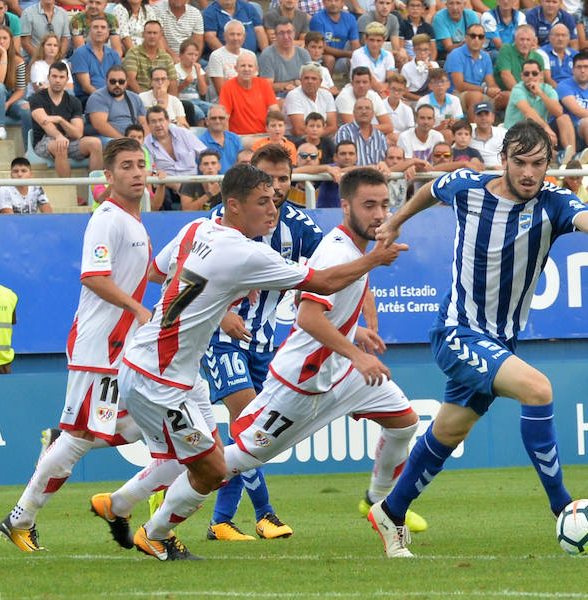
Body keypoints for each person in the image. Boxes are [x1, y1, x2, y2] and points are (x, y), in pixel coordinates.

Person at [366, 119, 588, 558]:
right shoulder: (468, 186)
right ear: (502, 160)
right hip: (458, 331)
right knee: (538, 390)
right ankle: (564, 509)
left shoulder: (554, 202)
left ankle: (391, 509)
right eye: (519, 163)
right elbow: (432, 188)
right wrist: (397, 220)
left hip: (500, 341)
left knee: (448, 431)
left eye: (537, 164)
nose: (528, 173)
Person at [114, 163, 408, 560]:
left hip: (160, 366)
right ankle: (152, 527)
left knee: (404, 420)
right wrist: (375, 261)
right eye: (263, 202)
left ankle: (382, 504)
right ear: (233, 206)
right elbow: (317, 293)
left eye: (274, 200)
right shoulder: (256, 251)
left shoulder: (197, 229)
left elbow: (160, 272)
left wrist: (213, 302)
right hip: (183, 378)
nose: (273, 209)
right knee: (217, 465)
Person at [0, 138, 153, 552]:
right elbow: (93, 276)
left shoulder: (134, 221)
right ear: (108, 176)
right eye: (126, 166)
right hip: (99, 346)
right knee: (85, 438)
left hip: (121, 346)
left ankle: (65, 446)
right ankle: (21, 518)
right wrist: (138, 308)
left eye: (141, 164)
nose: (137, 172)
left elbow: (136, 271)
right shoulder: (107, 219)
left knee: (138, 425)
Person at [200, 144, 323, 540]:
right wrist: (220, 312)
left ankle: (218, 520)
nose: (277, 188)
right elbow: (182, 276)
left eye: (284, 180)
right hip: (219, 338)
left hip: (263, 342)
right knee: (246, 422)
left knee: (246, 432)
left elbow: (330, 271)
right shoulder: (220, 221)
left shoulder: (300, 227)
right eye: (268, 181)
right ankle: (265, 513)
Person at [31, 60, 103, 178]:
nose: (58, 80)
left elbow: (78, 133)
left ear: (66, 79)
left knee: (95, 143)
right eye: (54, 76)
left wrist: (60, 120)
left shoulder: (73, 101)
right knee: (61, 146)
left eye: (61, 77)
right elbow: (45, 123)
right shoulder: (37, 98)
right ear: (48, 77)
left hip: (69, 140)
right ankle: (68, 190)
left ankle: (96, 190)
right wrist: (59, 136)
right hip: (43, 142)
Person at [504, 58, 574, 155]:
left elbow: (558, 112)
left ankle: (571, 155)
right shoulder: (517, 90)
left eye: (534, 73)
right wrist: (546, 128)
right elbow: (528, 113)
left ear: (541, 75)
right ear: (522, 76)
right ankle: (559, 157)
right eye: (526, 74)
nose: (530, 77)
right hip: (516, 132)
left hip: (537, 130)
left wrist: (540, 93)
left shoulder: (547, 90)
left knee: (564, 118)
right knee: (533, 133)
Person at [145, 105, 208, 210]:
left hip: (193, 183)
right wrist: (176, 186)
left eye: (161, 120)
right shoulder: (146, 144)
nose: (158, 125)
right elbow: (152, 172)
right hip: (168, 186)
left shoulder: (184, 134)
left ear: (168, 121)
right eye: (153, 121)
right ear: (148, 125)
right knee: (161, 193)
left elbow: (205, 154)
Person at [446, 23, 506, 120]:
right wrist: (485, 90)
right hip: (456, 95)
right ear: (466, 38)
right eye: (473, 36)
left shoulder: (485, 56)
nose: (476, 40)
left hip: (479, 93)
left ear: (483, 40)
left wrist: (496, 91)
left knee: (507, 96)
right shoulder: (456, 54)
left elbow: (491, 82)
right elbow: (459, 85)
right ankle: (472, 131)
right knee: (476, 96)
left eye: (480, 37)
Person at [86, 65, 149, 145]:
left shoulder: (135, 97)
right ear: (106, 80)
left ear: (126, 82)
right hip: (108, 139)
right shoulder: (98, 97)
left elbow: (144, 122)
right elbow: (100, 125)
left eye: (121, 81)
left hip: (134, 139)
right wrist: (124, 141)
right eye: (113, 81)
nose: (117, 85)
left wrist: (142, 140)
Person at [72, 16, 123, 106]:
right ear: (89, 32)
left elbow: (118, 81)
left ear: (108, 33)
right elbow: (86, 87)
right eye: (95, 27)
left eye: (103, 28)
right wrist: (106, 99)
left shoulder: (114, 55)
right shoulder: (80, 53)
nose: (99, 30)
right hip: (88, 98)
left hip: (112, 97)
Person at [336, 67, 394, 138]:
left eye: (365, 82)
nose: (361, 85)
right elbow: (353, 128)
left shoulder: (374, 96)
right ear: (352, 84)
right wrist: (372, 128)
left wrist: (367, 128)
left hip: (368, 133)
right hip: (346, 136)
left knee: (393, 137)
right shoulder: (344, 97)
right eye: (358, 82)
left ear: (370, 84)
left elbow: (389, 127)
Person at [260, 17, 313, 97]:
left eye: (289, 32)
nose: (286, 37)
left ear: (294, 33)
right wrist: (293, 83)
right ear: (276, 35)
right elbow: (267, 85)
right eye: (281, 33)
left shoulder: (303, 53)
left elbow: (311, 79)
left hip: (302, 93)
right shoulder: (267, 55)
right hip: (277, 96)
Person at [123, 20, 177, 95]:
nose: (152, 36)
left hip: (161, 98)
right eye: (149, 33)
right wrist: (144, 99)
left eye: (155, 33)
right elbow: (131, 80)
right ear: (143, 34)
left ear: (161, 35)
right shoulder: (133, 53)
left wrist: (170, 103)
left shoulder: (166, 58)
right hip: (138, 99)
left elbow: (173, 83)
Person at [284, 62, 338, 137]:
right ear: (301, 80)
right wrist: (318, 135)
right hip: (298, 138)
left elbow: (333, 127)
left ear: (320, 81)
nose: (310, 81)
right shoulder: (293, 95)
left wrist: (316, 136)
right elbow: (299, 130)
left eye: (314, 79)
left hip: (322, 137)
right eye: (306, 78)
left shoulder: (327, 94)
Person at [309, 0, 360, 73]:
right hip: (321, 57)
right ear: (323, 2)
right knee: (329, 58)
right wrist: (349, 54)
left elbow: (355, 44)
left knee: (356, 59)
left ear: (343, 2)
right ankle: (326, 83)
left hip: (342, 57)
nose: (333, 3)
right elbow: (322, 48)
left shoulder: (350, 18)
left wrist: (355, 55)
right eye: (329, 0)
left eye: (336, 0)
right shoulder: (317, 18)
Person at [335, 97, 388, 166]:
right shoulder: (345, 131)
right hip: (352, 175)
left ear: (373, 114)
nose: (364, 111)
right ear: (354, 113)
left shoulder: (380, 136)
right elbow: (342, 162)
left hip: (376, 175)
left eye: (367, 108)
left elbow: (385, 160)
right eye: (360, 108)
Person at [494, 24, 545, 92]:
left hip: (531, 93)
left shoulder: (538, 57)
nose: (524, 43)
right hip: (508, 91)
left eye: (528, 40)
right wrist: (520, 94)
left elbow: (540, 81)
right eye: (521, 39)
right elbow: (505, 75)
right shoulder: (506, 50)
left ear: (533, 41)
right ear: (515, 40)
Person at [416, 67, 465, 136]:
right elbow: (420, 128)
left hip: (450, 132)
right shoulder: (423, 101)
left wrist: (452, 122)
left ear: (448, 84)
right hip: (428, 134)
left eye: (442, 81)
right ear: (430, 86)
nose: (439, 85)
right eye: (435, 82)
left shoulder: (455, 100)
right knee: (447, 133)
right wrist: (439, 128)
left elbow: (458, 120)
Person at [208, 20, 254, 92]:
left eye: (239, 34)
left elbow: (254, 84)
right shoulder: (216, 56)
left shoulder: (250, 55)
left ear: (244, 36)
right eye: (232, 34)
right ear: (224, 36)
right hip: (225, 100)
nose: (235, 38)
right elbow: (221, 90)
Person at [350, 21, 395, 95]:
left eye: (379, 40)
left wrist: (384, 91)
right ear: (366, 39)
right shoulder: (358, 54)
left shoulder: (388, 55)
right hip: (362, 92)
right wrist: (381, 91)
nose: (375, 44)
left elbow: (391, 79)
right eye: (372, 40)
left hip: (384, 92)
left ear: (384, 40)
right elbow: (370, 80)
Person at [357, 0, 405, 66]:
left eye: (388, 3)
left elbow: (396, 48)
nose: (385, 6)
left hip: (380, 50)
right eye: (381, 3)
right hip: (362, 54)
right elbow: (369, 48)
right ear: (375, 3)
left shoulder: (393, 19)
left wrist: (401, 51)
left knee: (402, 57)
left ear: (392, 4)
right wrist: (395, 52)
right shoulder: (365, 18)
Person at [198, 103, 242, 173]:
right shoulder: (199, 142)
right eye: (213, 118)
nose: (217, 121)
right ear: (207, 121)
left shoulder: (235, 138)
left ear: (226, 120)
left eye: (221, 118)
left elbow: (241, 164)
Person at [175, 40, 209, 125]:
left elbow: (203, 92)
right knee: (199, 114)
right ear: (181, 55)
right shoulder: (175, 70)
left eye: (196, 55)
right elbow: (173, 93)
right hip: (183, 101)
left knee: (215, 109)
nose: (193, 58)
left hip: (197, 100)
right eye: (190, 54)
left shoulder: (198, 69)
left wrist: (198, 73)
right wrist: (185, 83)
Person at [539, 22, 577, 87]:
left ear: (568, 38)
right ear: (550, 37)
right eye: (557, 35)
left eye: (563, 35)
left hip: (574, 91)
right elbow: (547, 79)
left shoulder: (576, 55)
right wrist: (563, 92)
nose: (560, 38)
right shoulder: (542, 53)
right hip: (552, 91)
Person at [469, 101, 506, 168]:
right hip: (477, 173)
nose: (483, 118)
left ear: (493, 117)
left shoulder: (503, 133)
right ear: (474, 118)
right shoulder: (467, 135)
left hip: (501, 172)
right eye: (480, 115)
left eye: (486, 114)